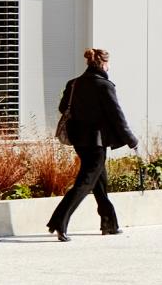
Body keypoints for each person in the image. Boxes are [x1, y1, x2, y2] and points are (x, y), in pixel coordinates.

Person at [49, 46, 138, 241]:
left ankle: (109, 223)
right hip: (96, 142)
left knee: (99, 181)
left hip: (78, 140)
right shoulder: (105, 86)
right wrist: (131, 140)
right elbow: (117, 116)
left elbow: (63, 107)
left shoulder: (73, 84)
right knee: (86, 182)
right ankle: (59, 220)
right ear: (104, 63)